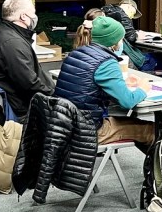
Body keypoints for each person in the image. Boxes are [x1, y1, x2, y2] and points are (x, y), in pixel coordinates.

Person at [53, 17, 155, 145]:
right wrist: (142, 89)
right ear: (113, 41)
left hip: (62, 125)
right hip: (88, 131)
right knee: (152, 130)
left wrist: (121, 83)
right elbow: (127, 101)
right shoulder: (107, 62)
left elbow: (87, 85)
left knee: (134, 124)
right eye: (121, 38)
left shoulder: (76, 53)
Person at [0, 0, 54, 122]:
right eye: (33, 13)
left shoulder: (5, 34)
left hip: (11, 101)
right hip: (18, 109)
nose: (35, 17)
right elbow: (29, 84)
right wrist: (55, 96)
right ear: (23, 16)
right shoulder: (12, 42)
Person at [102, 0, 162, 79]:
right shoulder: (122, 15)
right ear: (129, 6)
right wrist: (138, 35)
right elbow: (131, 37)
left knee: (161, 58)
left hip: (128, 57)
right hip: (135, 59)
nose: (132, 17)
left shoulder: (104, 14)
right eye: (133, 13)